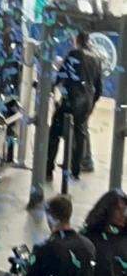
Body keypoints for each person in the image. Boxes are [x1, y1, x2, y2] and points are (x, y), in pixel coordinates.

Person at [46, 29, 103, 182]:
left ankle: (48, 168)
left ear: (77, 40)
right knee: (79, 134)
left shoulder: (74, 54)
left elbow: (62, 74)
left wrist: (51, 88)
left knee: (54, 132)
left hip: (72, 99)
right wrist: (91, 105)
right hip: (86, 102)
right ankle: (75, 171)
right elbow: (99, 88)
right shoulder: (97, 58)